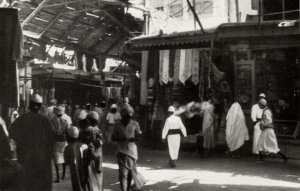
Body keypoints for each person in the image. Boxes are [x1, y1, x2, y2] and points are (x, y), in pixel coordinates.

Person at [10, 94, 54, 191]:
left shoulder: (21, 119)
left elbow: (12, 134)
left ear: (29, 105)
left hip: (26, 158)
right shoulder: (45, 120)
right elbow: (51, 138)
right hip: (42, 159)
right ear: (40, 106)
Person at [112, 114, 145, 191]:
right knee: (123, 175)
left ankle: (127, 188)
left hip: (132, 153)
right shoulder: (117, 125)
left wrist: (133, 139)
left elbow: (140, 136)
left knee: (130, 174)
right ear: (122, 116)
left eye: (129, 116)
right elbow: (113, 137)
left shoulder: (134, 124)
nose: (127, 118)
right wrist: (121, 139)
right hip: (121, 152)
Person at [257, 99, 288, 163]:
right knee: (260, 144)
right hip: (266, 130)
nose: (258, 105)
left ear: (262, 104)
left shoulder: (266, 111)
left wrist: (263, 125)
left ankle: (284, 157)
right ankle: (261, 159)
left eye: (259, 104)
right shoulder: (265, 110)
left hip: (268, 130)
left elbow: (269, 121)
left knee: (273, 146)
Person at [81, 111, 104, 191]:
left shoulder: (85, 130)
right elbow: (100, 142)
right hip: (96, 157)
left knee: (87, 175)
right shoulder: (97, 130)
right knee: (97, 175)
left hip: (88, 157)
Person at [64, 126, 88, 191]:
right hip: (85, 171)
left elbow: (67, 162)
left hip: (74, 172)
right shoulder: (84, 146)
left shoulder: (67, 148)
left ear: (68, 137)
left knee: (76, 186)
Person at [51, 105, 69, 183]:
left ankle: (58, 177)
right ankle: (63, 175)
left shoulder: (52, 120)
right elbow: (67, 131)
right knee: (63, 157)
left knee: (56, 158)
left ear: (55, 112)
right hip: (64, 141)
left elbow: (51, 131)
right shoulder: (65, 121)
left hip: (56, 141)